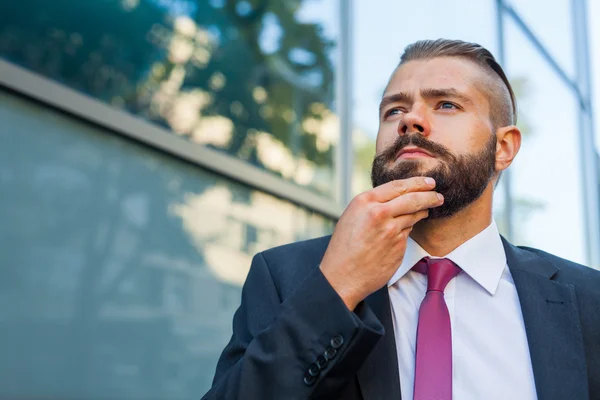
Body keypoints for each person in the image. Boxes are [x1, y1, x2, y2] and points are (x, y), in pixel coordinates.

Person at [201, 39, 600, 400]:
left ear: (504, 147)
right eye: (395, 109)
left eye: (446, 104)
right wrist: (337, 287)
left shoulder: (588, 301)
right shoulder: (287, 276)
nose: (410, 121)